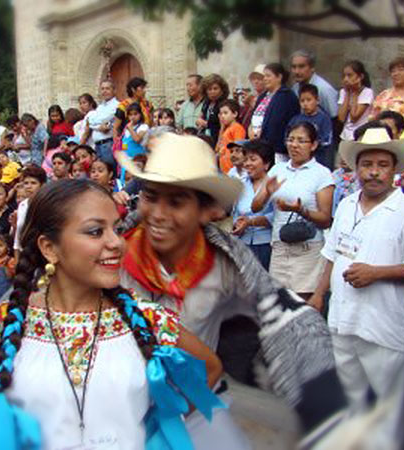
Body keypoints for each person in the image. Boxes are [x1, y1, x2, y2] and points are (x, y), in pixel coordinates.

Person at [0, 179, 224, 449]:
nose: (117, 243)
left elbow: (210, 368)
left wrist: (156, 434)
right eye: (96, 231)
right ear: (49, 248)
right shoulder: (4, 324)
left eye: (116, 229)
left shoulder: (145, 318)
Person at [116, 133, 347, 438]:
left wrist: (328, 415)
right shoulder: (113, 255)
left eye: (176, 202)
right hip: (121, 410)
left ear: (206, 210)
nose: (158, 214)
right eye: (150, 196)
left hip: (196, 408)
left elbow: (293, 324)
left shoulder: (228, 265)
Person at [310, 127, 404, 448]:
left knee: (386, 405)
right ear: (356, 168)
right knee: (349, 398)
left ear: (394, 170)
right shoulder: (348, 203)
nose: (374, 172)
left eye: (382, 164)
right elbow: (332, 253)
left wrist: (376, 274)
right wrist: (319, 294)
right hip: (343, 319)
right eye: (367, 164)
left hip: (383, 323)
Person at [252, 122, 334, 298]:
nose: (294, 145)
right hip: (280, 247)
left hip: (307, 249)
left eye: (301, 141)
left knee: (304, 305)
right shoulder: (278, 168)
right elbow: (255, 206)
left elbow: (325, 219)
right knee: (281, 305)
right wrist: (267, 191)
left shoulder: (322, 173)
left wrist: (301, 210)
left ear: (313, 145)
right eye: (290, 139)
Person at [232, 140, 274, 269]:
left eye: (253, 159)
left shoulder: (273, 184)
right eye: (246, 160)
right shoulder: (241, 184)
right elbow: (235, 212)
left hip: (267, 244)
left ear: (266, 164)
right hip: (243, 243)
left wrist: (251, 222)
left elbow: (278, 215)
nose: (247, 164)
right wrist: (237, 224)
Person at [249, 63, 300, 164]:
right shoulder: (263, 96)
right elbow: (254, 116)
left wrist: (261, 133)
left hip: (276, 150)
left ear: (279, 77)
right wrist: (251, 130)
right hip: (257, 146)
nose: (265, 79)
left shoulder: (287, 96)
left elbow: (279, 123)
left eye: (268, 76)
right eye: (264, 76)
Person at [287, 84, 333, 169]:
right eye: (302, 101)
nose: (305, 104)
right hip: (298, 161)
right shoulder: (295, 120)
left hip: (319, 159)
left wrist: (311, 146)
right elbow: (287, 136)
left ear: (317, 100)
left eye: (309, 100)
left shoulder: (323, 119)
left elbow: (327, 140)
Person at [290, 49, 339, 118]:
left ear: (312, 68)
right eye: (294, 67)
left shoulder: (324, 89)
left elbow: (334, 117)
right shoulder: (295, 88)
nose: (297, 71)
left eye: (301, 66)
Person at [13, 165, 47, 261]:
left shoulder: (47, 205)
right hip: (25, 257)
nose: (28, 186)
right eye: (26, 183)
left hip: (42, 256)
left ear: (42, 185)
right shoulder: (22, 205)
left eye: (33, 183)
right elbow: (17, 238)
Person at [338, 60, 374, 141]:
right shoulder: (343, 92)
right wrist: (347, 93)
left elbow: (354, 117)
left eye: (350, 75)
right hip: (345, 135)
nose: (346, 79)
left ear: (360, 77)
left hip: (360, 135)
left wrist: (355, 94)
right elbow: (341, 118)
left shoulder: (367, 92)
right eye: (344, 76)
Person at [85, 80, 119, 167]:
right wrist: (98, 126)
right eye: (102, 89)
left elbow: (106, 119)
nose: (104, 91)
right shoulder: (100, 107)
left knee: (109, 171)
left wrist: (94, 124)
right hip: (97, 146)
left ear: (114, 90)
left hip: (108, 144)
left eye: (107, 88)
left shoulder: (117, 105)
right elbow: (90, 121)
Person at [215, 99, 246, 174]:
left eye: (225, 113)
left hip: (232, 168)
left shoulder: (237, 128)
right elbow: (217, 148)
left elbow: (238, 147)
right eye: (221, 114)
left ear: (235, 114)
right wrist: (222, 128)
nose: (222, 116)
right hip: (224, 168)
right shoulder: (226, 129)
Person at [196, 73, 229, 142]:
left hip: (217, 138)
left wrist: (206, 124)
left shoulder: (224, 104)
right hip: (205, 137)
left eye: (215, 89)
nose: (212, 92)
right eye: (209, 89)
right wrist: (198, 120)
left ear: (222, 90)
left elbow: (223, 125)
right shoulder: (206, 102)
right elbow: (201, 116)